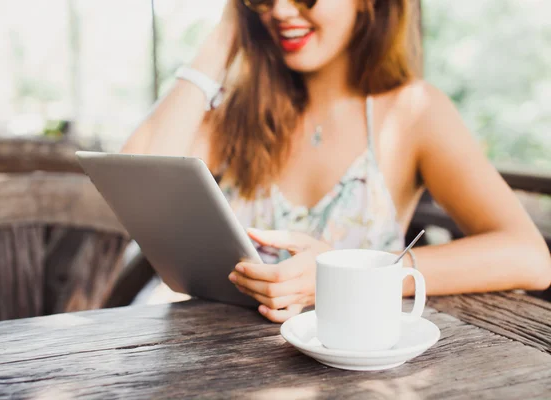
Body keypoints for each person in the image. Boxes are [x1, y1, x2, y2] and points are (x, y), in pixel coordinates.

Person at [122, 0, 551, 322]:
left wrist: (353, 275)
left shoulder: (413, 112)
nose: (282, 11)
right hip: (209, 354)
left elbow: (528, 257)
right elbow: (133, 182)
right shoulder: (238, 115)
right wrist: (224, 34)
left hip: (345, 371)